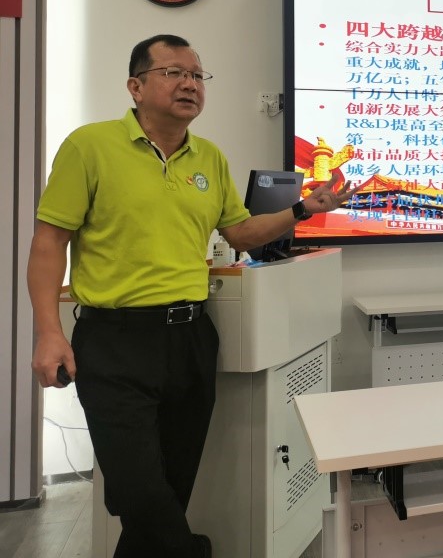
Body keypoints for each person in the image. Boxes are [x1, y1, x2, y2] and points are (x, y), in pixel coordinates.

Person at [27, 34, 350, 558]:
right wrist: (48, 332)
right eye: (174, 73)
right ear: (135, 86)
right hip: (114, 341)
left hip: (191, 339)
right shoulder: (90, 146)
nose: (189, 84)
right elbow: (48, 244)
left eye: (198, 76)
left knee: (170, 492)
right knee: (138, 491)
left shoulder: (209, 157)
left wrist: (301, 210)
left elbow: (240, 232)